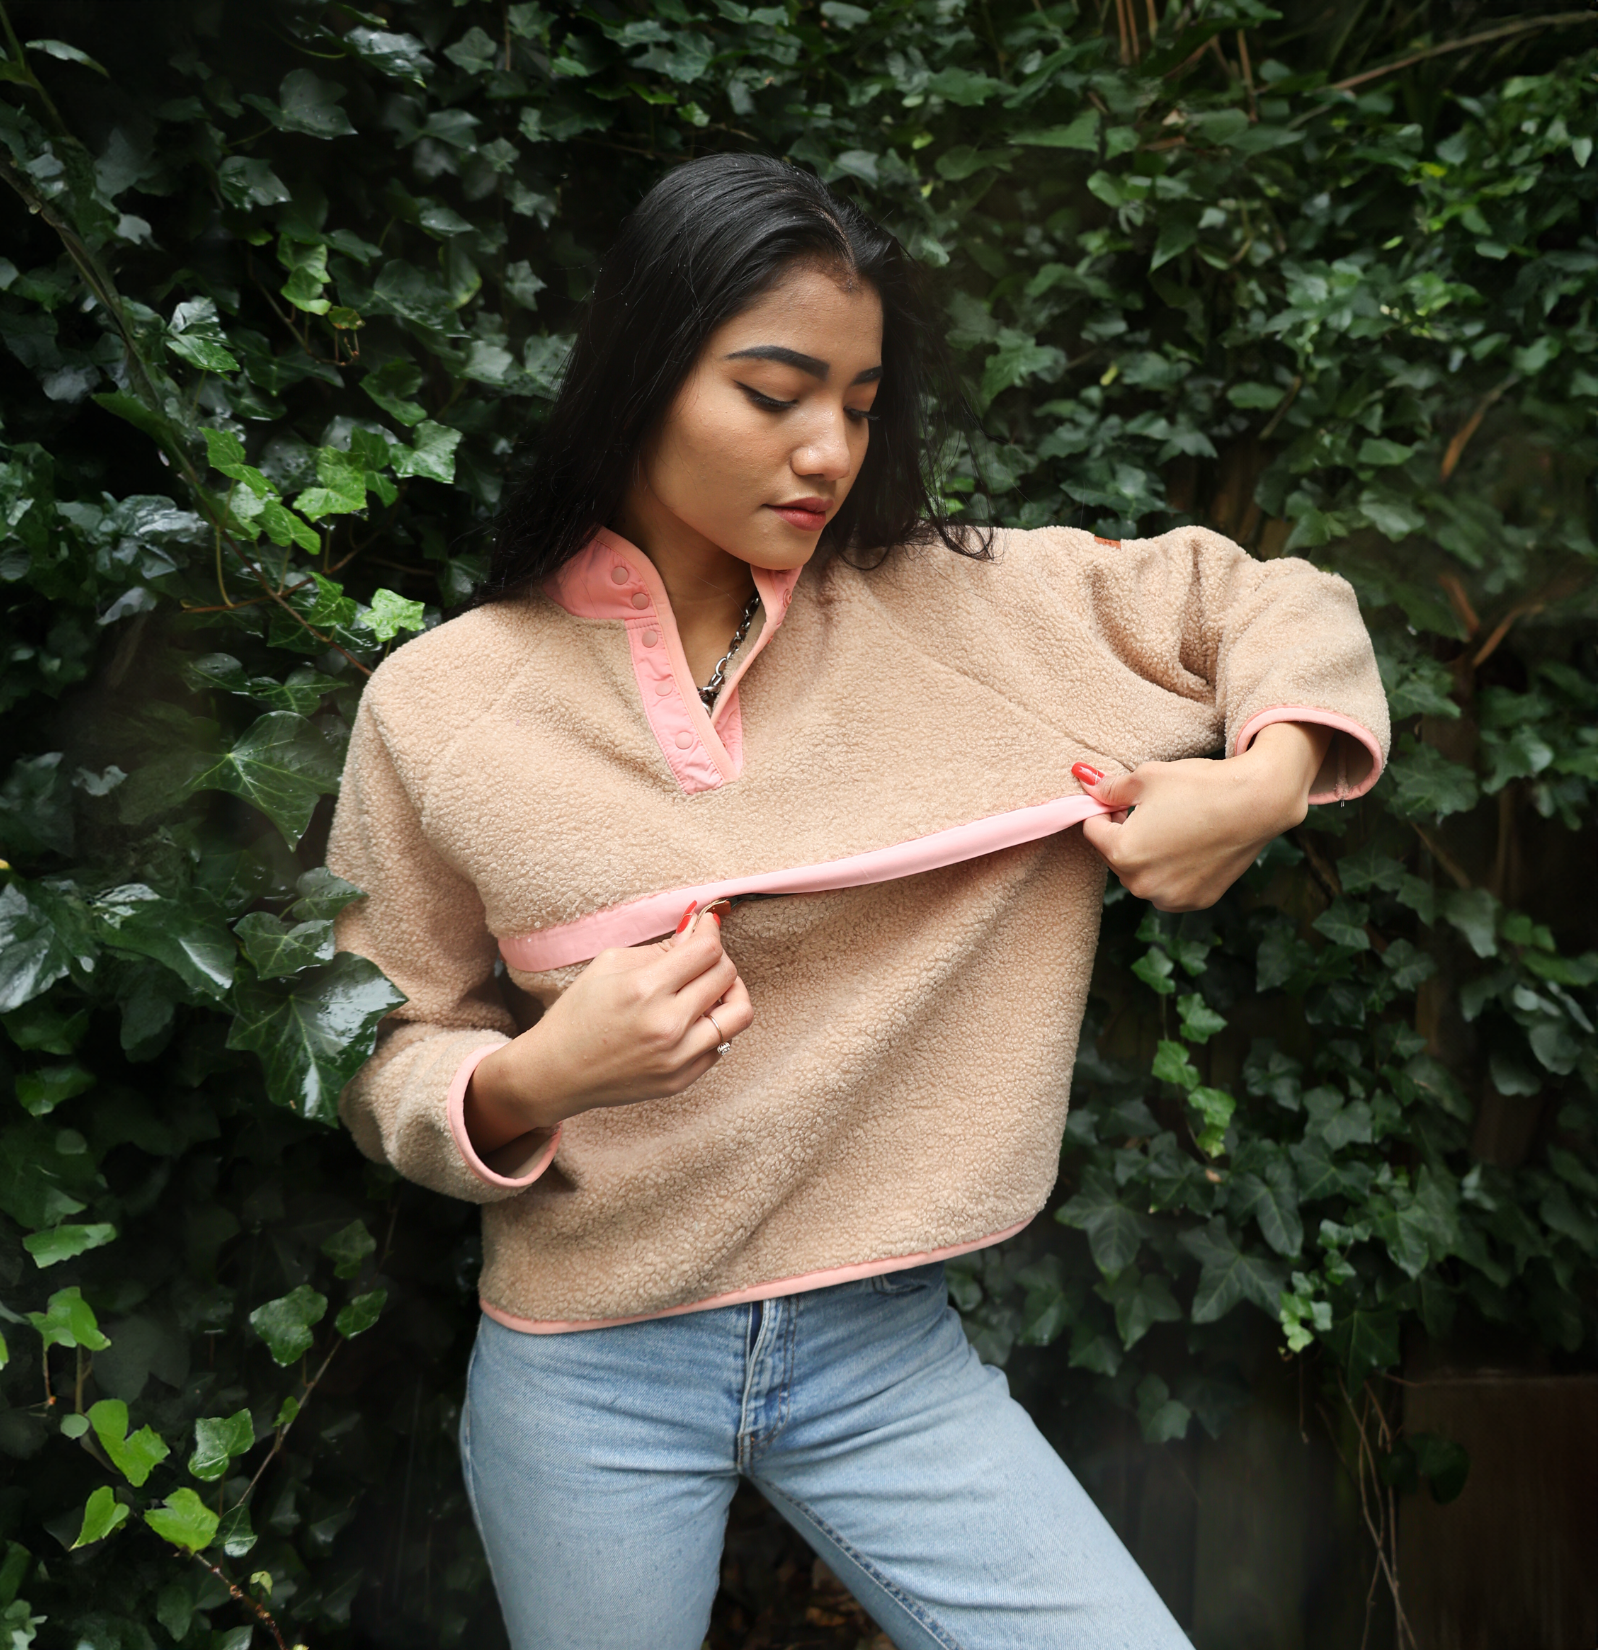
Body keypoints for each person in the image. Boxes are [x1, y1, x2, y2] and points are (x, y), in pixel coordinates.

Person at [328, 153, 1388, 1650]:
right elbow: (380, 1039)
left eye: (863, 402)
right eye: (773, 394)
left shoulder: (956, 606)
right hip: (588, 1372)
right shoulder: (440, 703)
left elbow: (1269, 598)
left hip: (887, 1358)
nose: (826, 449)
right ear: (640, 374)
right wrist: (528, 1079)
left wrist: (1267, 780)